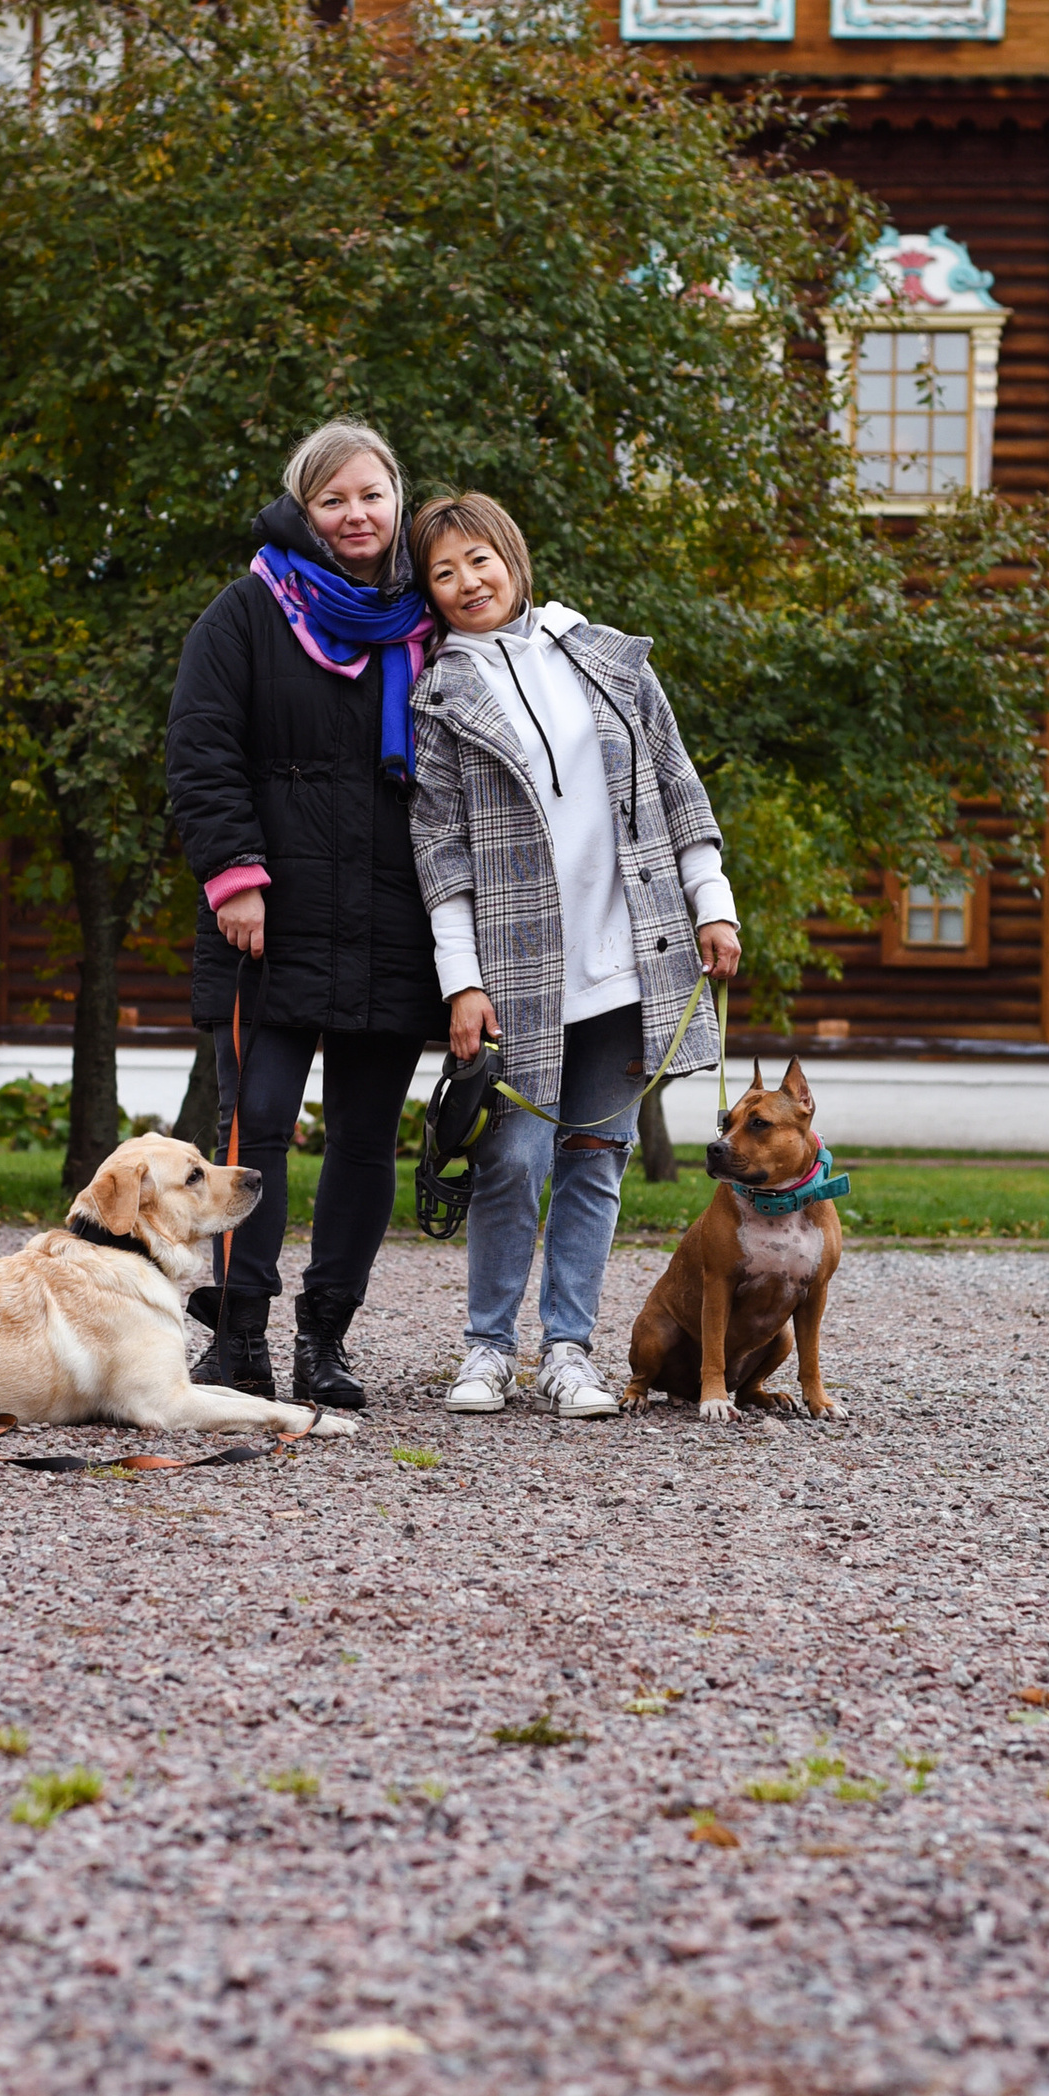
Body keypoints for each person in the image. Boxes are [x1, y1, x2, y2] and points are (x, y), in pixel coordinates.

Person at [407, 490, 741, 1418]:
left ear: (512, 558)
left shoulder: (608, 657)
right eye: (444, 572)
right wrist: (461, 982)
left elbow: (679, 788)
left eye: (480, 559)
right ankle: (486, 1350)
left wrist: (713, 905)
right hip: (516, 975)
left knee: (596, 1156)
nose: (468, 581)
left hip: (630, 960)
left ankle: (567, 1352)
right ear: (430, 594)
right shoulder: (438, 699)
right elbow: (440, 853)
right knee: (513, 1158)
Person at [163, 422, 444, 1410]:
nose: (355, 515)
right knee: (256, 1130)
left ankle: (326, 1339)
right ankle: (238, 1337)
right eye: (333, 500)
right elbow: (200, 748)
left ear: (396, 500)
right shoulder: (246, 611)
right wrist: (234, 876)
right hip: (269, 919)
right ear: (303, 510)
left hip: (395, 918)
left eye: (371, 495)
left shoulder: (430, 618)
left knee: (365, 1140)